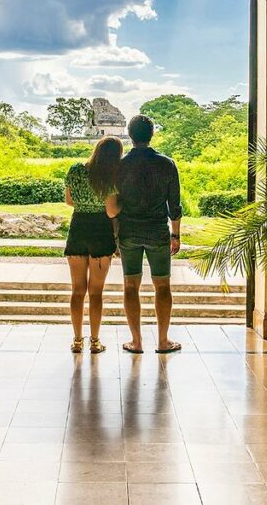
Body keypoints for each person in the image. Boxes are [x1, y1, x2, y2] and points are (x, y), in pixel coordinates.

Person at [116, 115, 182, 354]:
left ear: (130, 134)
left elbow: (114, 204)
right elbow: (174, 205)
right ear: (152, 134)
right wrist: (175, 235)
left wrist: (114, 236)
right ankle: (163, 341)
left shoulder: (120, 165)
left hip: (128, 232)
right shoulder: (167, 164)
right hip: (157, 231)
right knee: (162, 285)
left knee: (130, 286)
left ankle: (136, 341)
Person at [63, 136, 122, 354]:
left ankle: (77, 340)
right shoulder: (109, 177)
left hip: (78, 228)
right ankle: (95, 341)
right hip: (100, 230)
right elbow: (111, 211)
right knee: (95, 293)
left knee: (77, 291)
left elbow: (69, 201)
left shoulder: (76, 170)